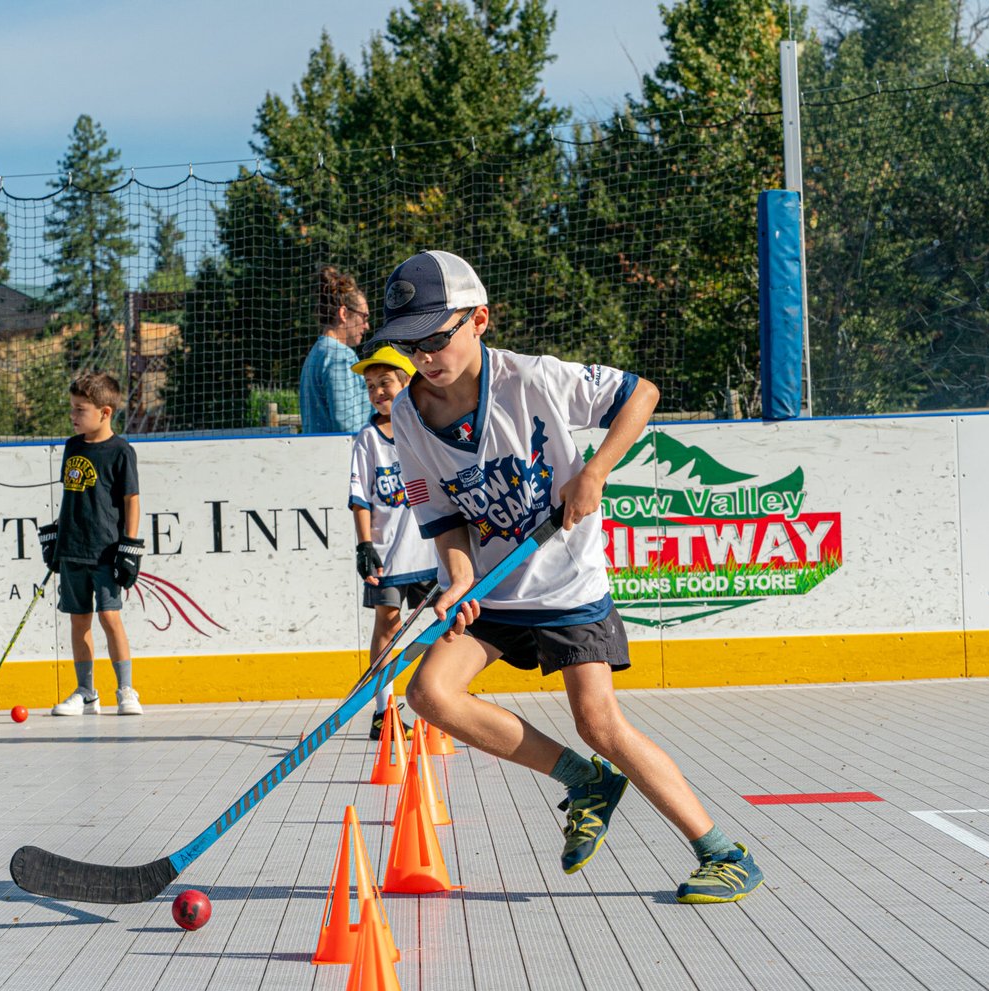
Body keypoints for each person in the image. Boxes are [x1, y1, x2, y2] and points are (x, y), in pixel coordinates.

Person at [378, 250, 764, 905]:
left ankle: (724, 851)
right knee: (431, 694)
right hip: (495, 588)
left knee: (601, 723)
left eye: (437, 338)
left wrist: (595, 471)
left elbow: (641, 394)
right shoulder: (409, 416)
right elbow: (441, 511)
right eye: (409, 344)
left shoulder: (535, 380)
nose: (425, 356)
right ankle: (584, 781)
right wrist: (459, 578)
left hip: (567, 585)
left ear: (481, 319)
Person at [39, 372, 146, 716]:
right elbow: (73, 497)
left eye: (80, 409)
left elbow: (131, 499)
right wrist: (57, 535)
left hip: (105, 550)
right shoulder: (72, 446)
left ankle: (126, 689)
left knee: (110, 616)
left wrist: (128, 546)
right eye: (72, 408)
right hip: (73, 549)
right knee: (78, 620)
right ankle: (86, 692)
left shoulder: (121, 451)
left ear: (105, 412)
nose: (73, 415)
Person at [348, 345, 440, 740]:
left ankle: (436, 700)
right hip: (388, 556)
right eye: (370, 386)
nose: (377, 392)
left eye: (385, 382)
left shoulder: (425, 430)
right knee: (387, 625)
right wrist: (364, 545)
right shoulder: (367, 439)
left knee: (443, 625)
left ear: (407, 383)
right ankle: (383, 709)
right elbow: (360, 497)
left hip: (430, 553)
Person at [299, 265, 375, 434]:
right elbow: (348, 425)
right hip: (341, 456)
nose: (367, 326)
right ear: (343, 313)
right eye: (364, 316)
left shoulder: (316, 353)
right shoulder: (340, 356)